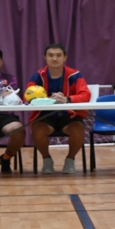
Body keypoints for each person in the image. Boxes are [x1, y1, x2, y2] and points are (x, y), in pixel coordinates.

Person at [28, 44, 91, 175]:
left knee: (78, 129)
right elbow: (29, 97)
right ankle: (46, 160)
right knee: (37, 130)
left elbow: (86, 95)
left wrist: (67, 99)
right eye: (51, 55)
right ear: (45, 57)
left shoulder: (75, 75)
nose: (54, 58)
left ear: (65, 57)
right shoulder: (37, 76)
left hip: (70, 116)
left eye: (58, 55)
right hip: (45, 116)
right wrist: (49, 99)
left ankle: (70, 159)